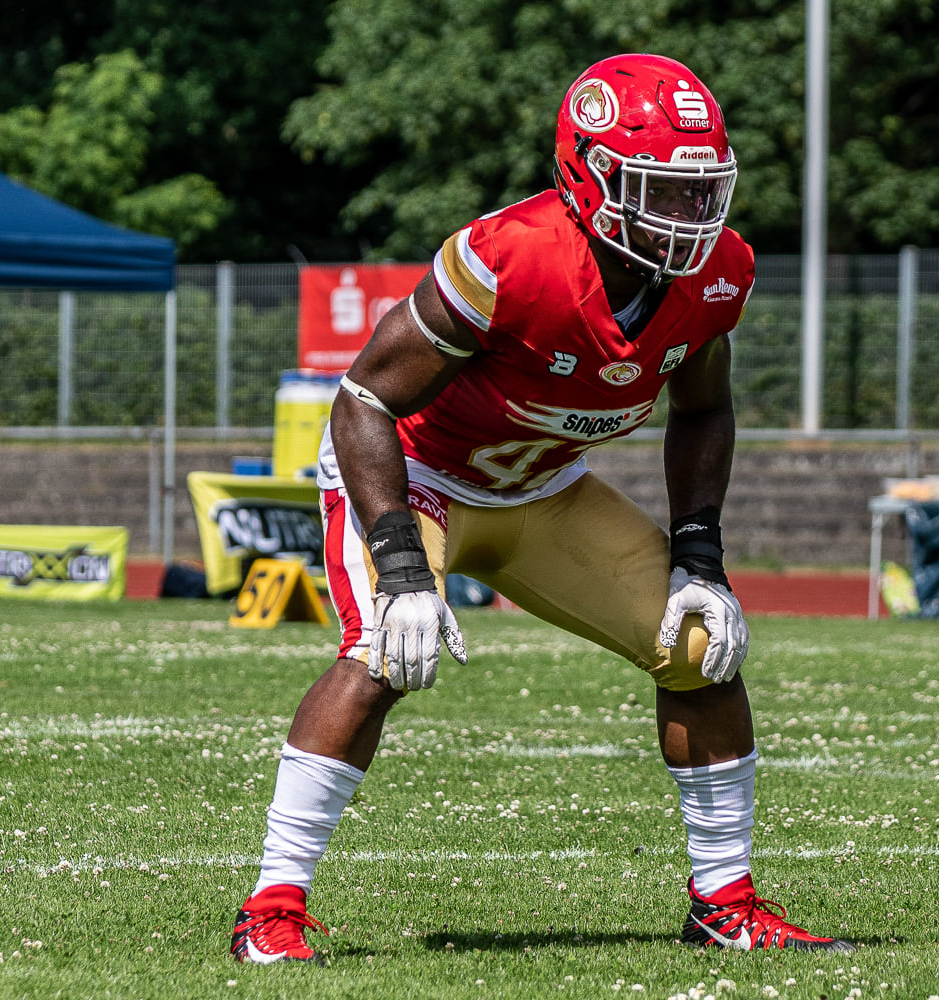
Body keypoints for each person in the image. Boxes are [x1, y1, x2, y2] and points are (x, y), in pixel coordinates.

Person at [229, 52, 854, 963]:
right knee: (380, 655)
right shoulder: (508, 256)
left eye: (698, 192)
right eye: (659, 191)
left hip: (543, 491)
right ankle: (271, 910)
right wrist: (403, 565)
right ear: (589, 174)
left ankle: (724, 903)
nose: (686, 219)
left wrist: (700, 560)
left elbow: (706, 407)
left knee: (700, 648)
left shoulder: (717, 271)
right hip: (421, 478)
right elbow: (365, 399)